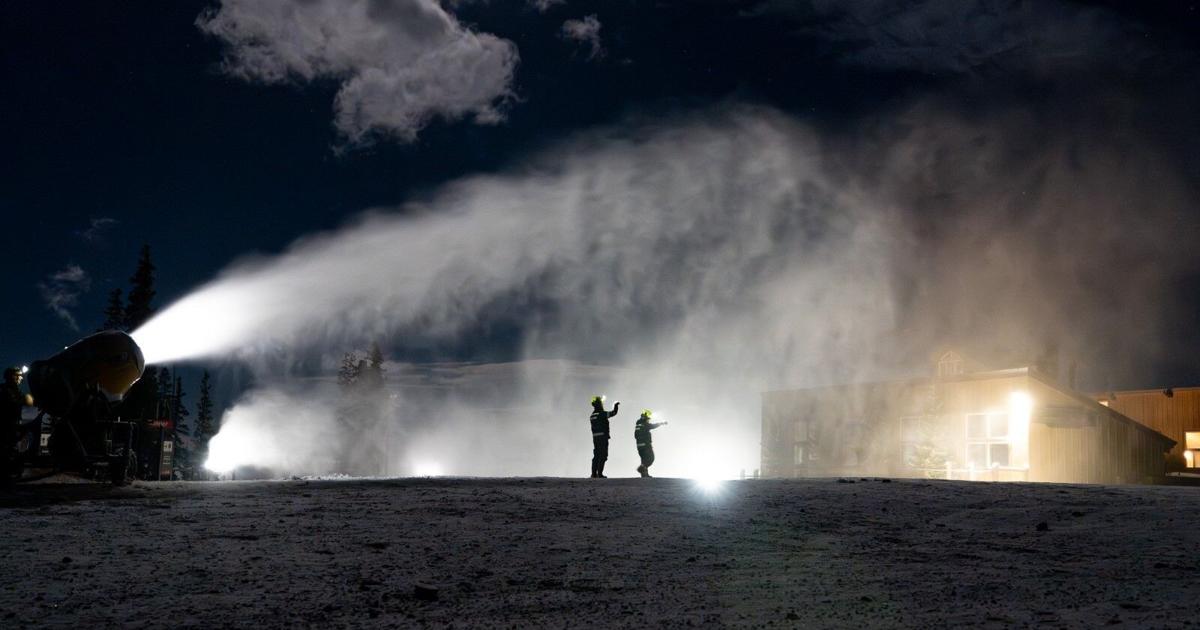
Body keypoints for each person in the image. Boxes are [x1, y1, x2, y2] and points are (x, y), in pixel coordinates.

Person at [1, 366, 34, 483]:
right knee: (8, 448)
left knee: (12, 447)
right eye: (18, 375)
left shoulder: (14, 390)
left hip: (12, 423)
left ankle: (10, 471)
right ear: (12, 377)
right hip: (6, 424)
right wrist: (25, 400)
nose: (20, 378)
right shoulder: (5, 390)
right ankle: (7, 473)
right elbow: (11, 404)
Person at [589, 395, 619, 478]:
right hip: (602, 438)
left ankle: (593, 474)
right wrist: (616, 406)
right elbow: (613, 413)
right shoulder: (602, 414)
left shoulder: (592, 415)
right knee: (603, 455)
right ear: (599, 404)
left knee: (596, 455)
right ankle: (600, 474)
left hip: (595, 438)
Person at [634, 409, 667, 478]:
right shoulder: (644, 424)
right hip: (646, 445)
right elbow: (653, 426)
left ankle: (644, 475)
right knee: (651, 458)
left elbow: (636, 435)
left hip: (639, 446)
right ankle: (641, 468)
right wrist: (661, 423)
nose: (648, 420)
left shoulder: (639, 424)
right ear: (645, 417)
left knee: (644, 460)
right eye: (648, 419)